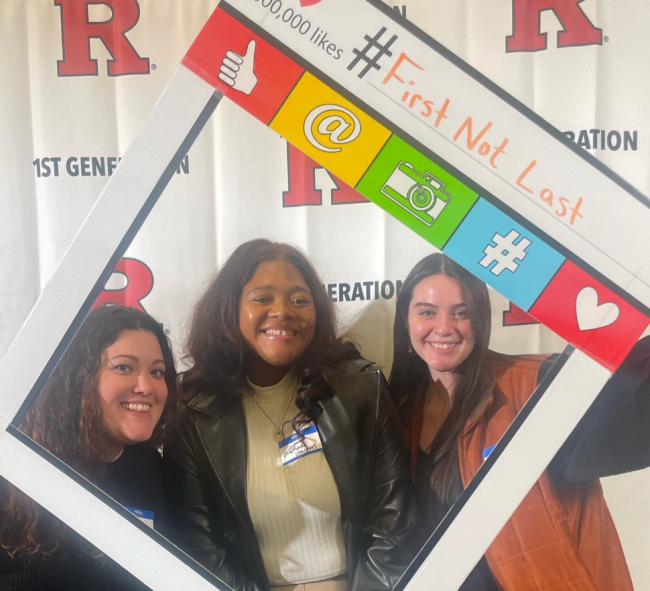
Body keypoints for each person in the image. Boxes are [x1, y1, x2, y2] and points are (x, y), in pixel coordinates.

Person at [162, 239, 416, 591]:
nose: (283, 311)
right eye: (262, 298)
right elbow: (199, 548)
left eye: (299, 300)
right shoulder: (194, 413)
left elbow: (396, 523)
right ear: (229, 309)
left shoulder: (361, 390)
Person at [389, 252, 650, 591]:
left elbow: (629, 410)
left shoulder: (535, 386)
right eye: (427, 312)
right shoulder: (401, 411)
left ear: (481, 319)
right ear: (405, 321)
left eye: (462, 313)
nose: (444, 328)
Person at [0, 305, 178, 591]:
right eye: (124, 367)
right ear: (78, 378)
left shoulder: (156, 471)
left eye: (157, 372)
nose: (146, 386)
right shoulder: (16, 470)